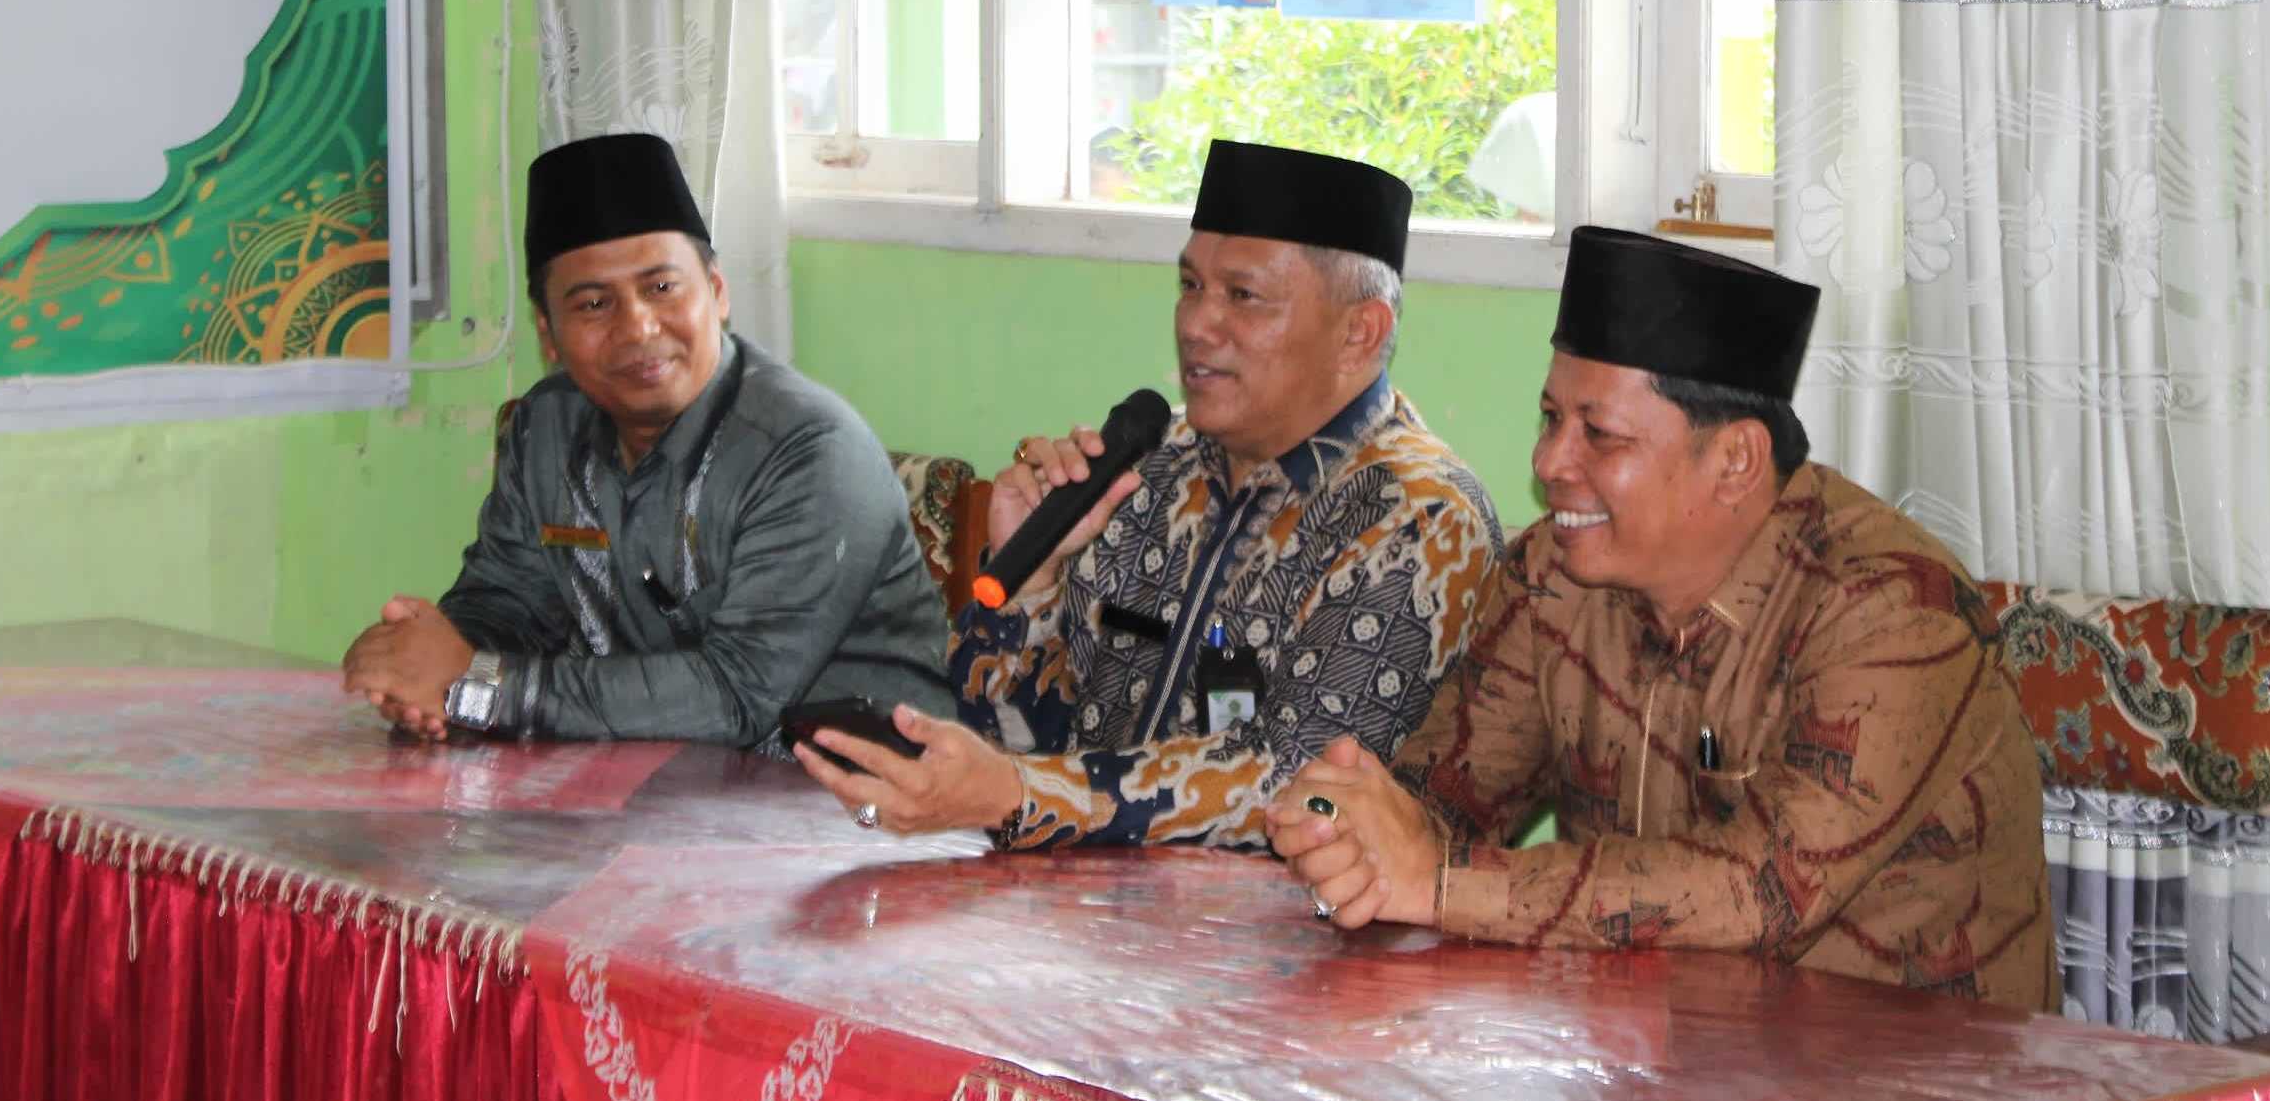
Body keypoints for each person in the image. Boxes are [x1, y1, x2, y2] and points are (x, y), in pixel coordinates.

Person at [1266, 226, 2056, 1008]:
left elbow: (1764, 892)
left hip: (1913, 1058)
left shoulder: (1894, 611)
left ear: (1735, 461)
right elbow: (1446, 799)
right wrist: (1352, 833)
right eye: (1551, 419)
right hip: (1658, 1051)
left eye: (1599, 435)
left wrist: (1440, 883)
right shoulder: (1555, 576)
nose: (1547, 462)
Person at [793, 141, 1503, 849]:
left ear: (1359, 333)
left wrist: (1023, 795)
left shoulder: (1419, 517)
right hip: (1063, 893)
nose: (1195, 324)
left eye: (1242, 296)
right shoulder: (1150, 465)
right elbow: (1014, 743)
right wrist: (1030, 587)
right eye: (1190, 286)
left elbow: (1298, 784)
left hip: (1279, 916)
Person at [340, 133, 949, 747]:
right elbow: (509, 602)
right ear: (548, 334)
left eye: (661, 288)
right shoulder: (546, 429)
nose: (637, 327)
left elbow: (736, 695)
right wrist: (422, 660)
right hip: (649, 780)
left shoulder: (811, 451)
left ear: (716, 292)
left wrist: (480, 687)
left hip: (846, 792)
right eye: (593, 304)